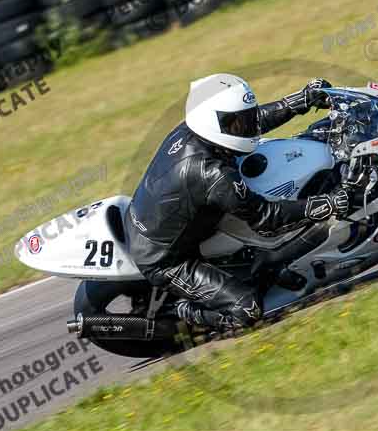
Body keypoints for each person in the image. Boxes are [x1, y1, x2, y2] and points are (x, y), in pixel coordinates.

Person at [125, 74, 350, 335]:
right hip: (166, 259)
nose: (245, 126)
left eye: (244, 118)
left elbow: (251, 126)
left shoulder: (194, 129)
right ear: (214, 123)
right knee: (247, 310)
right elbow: (266, 218)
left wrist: (299, 101)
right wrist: (327, 204)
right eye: (236, 122)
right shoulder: (212, 174)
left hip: (168, 219)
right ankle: (180, 312)